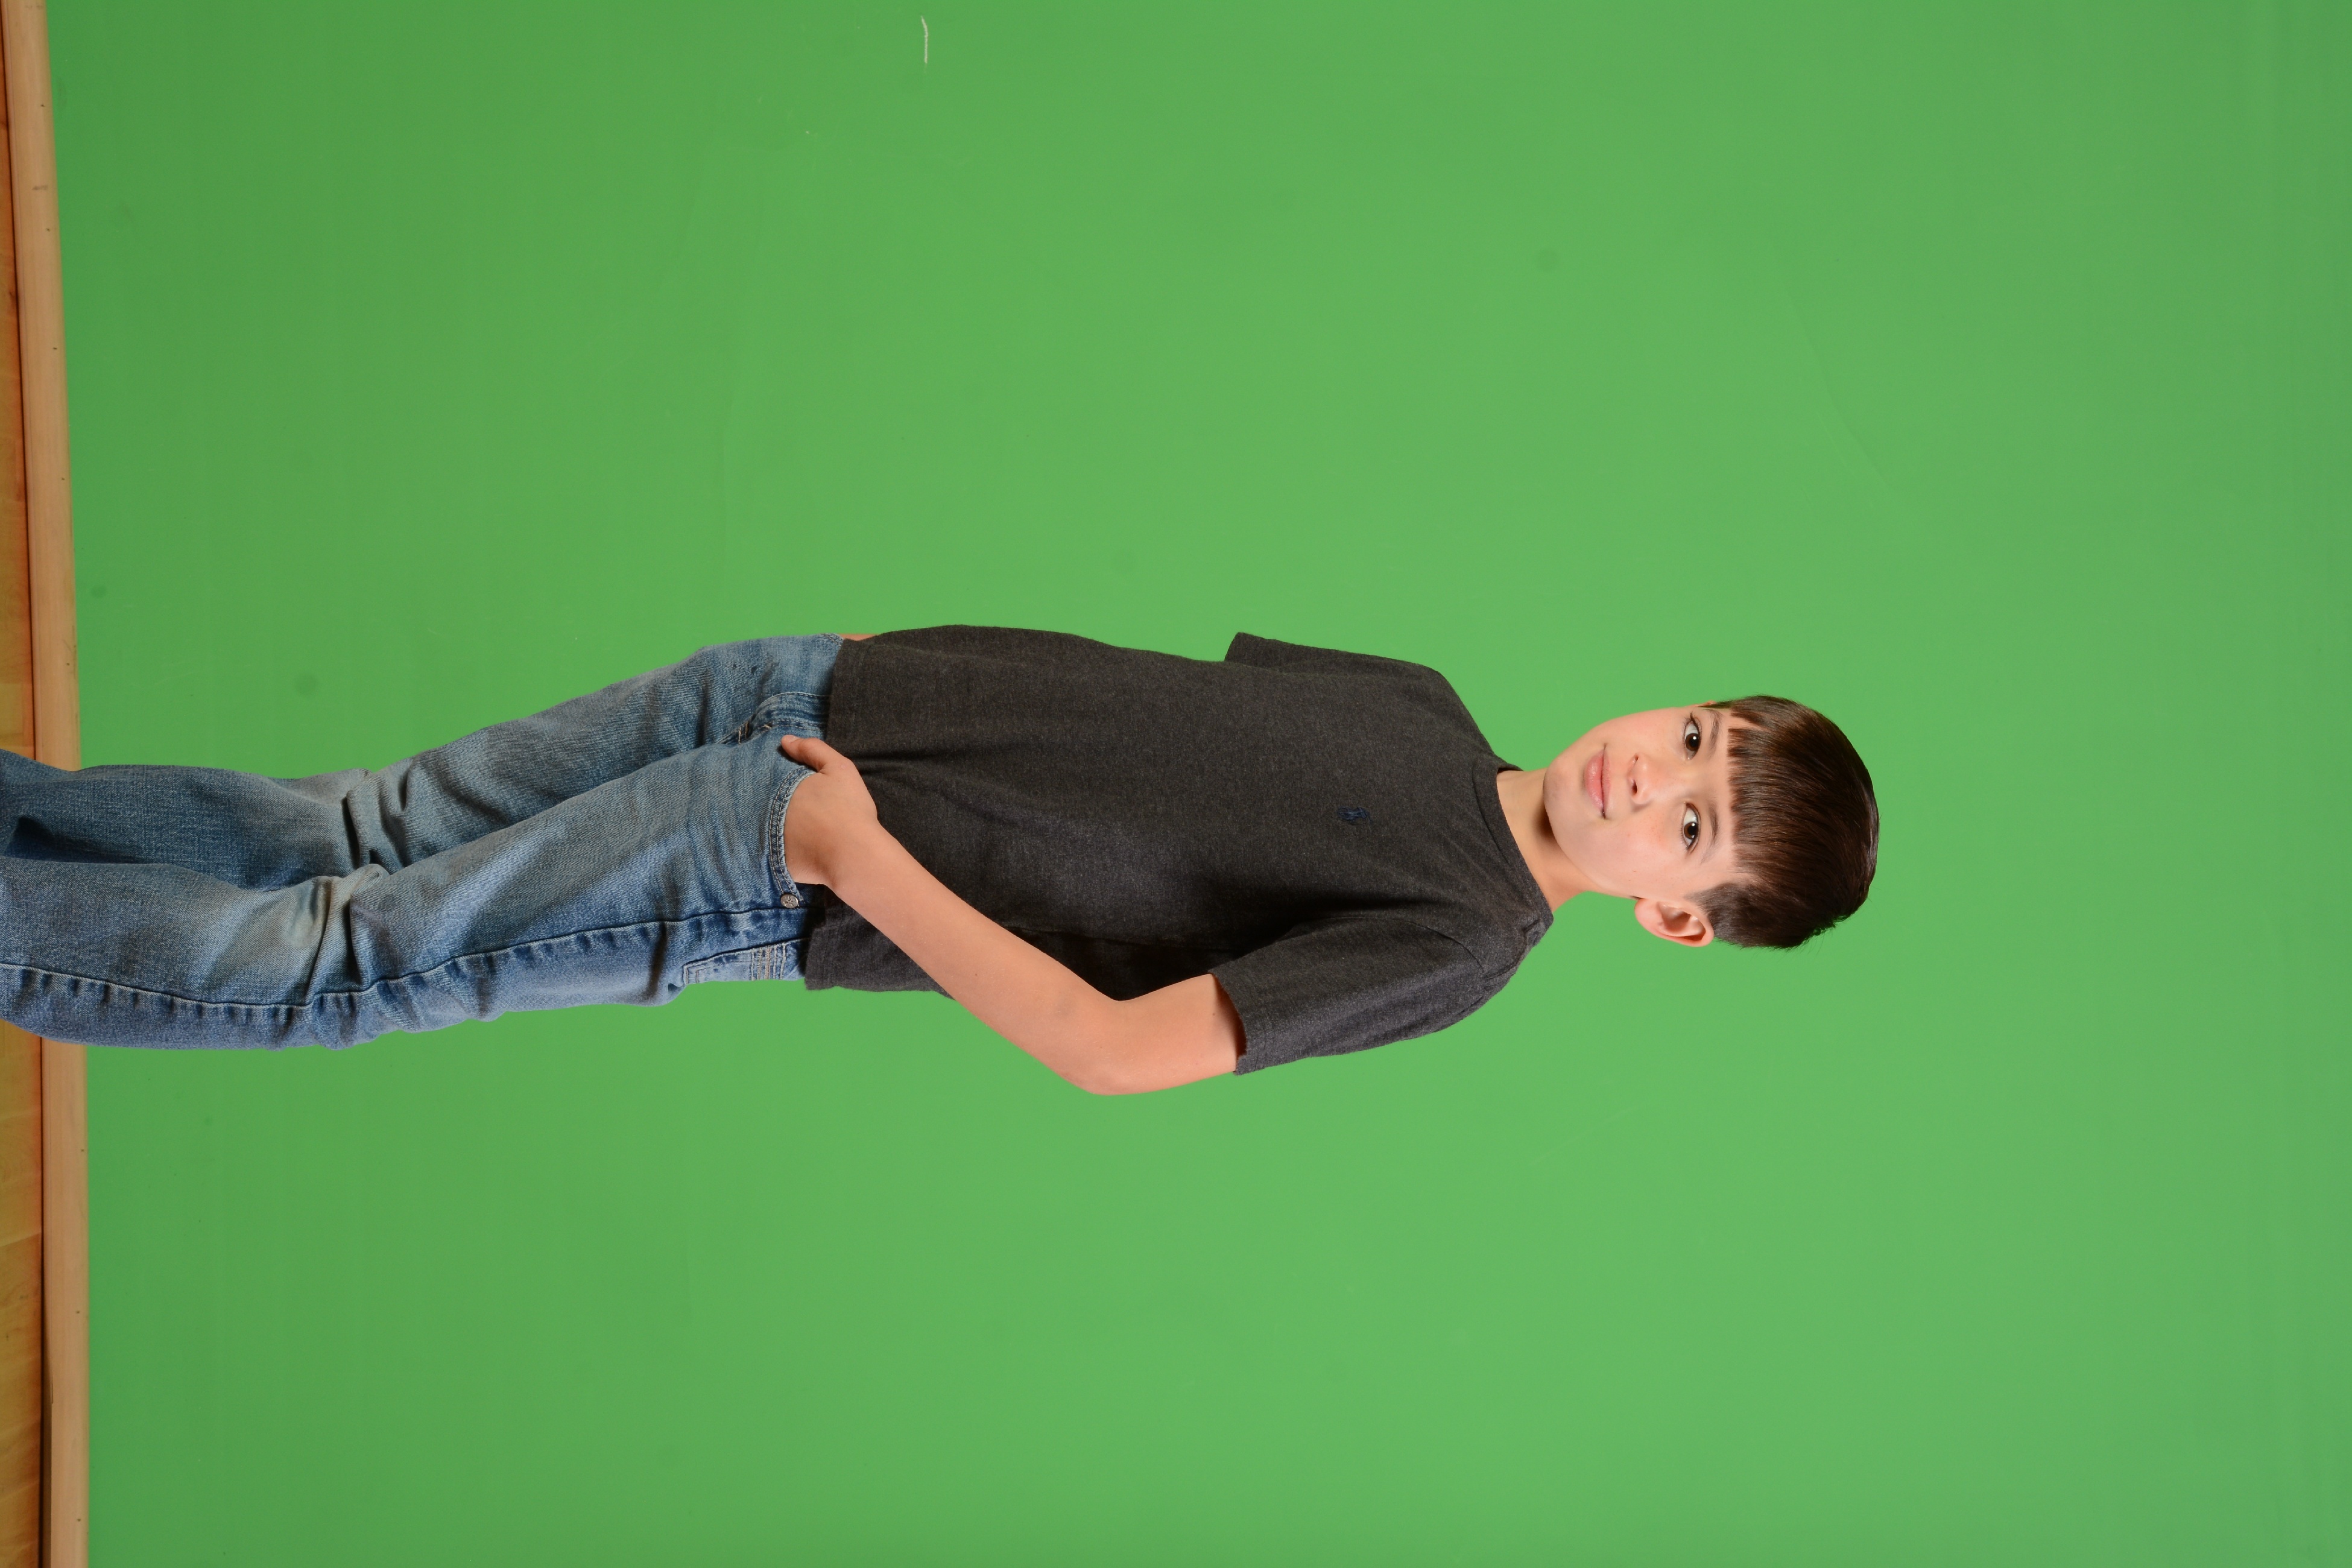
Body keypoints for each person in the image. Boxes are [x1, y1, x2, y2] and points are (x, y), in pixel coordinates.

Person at [0, 627, 1877, 1090]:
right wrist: (848, 681)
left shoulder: (1453, 943)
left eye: (1688, 825)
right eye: (1695, 737)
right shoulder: (1423, 704)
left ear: (1674, 915)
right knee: (353, 833)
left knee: (338, 959)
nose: (1651, 770)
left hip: (786, 847)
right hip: (796, 691)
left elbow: (1112, 1048)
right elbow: (1125, 729)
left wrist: (852, 854)